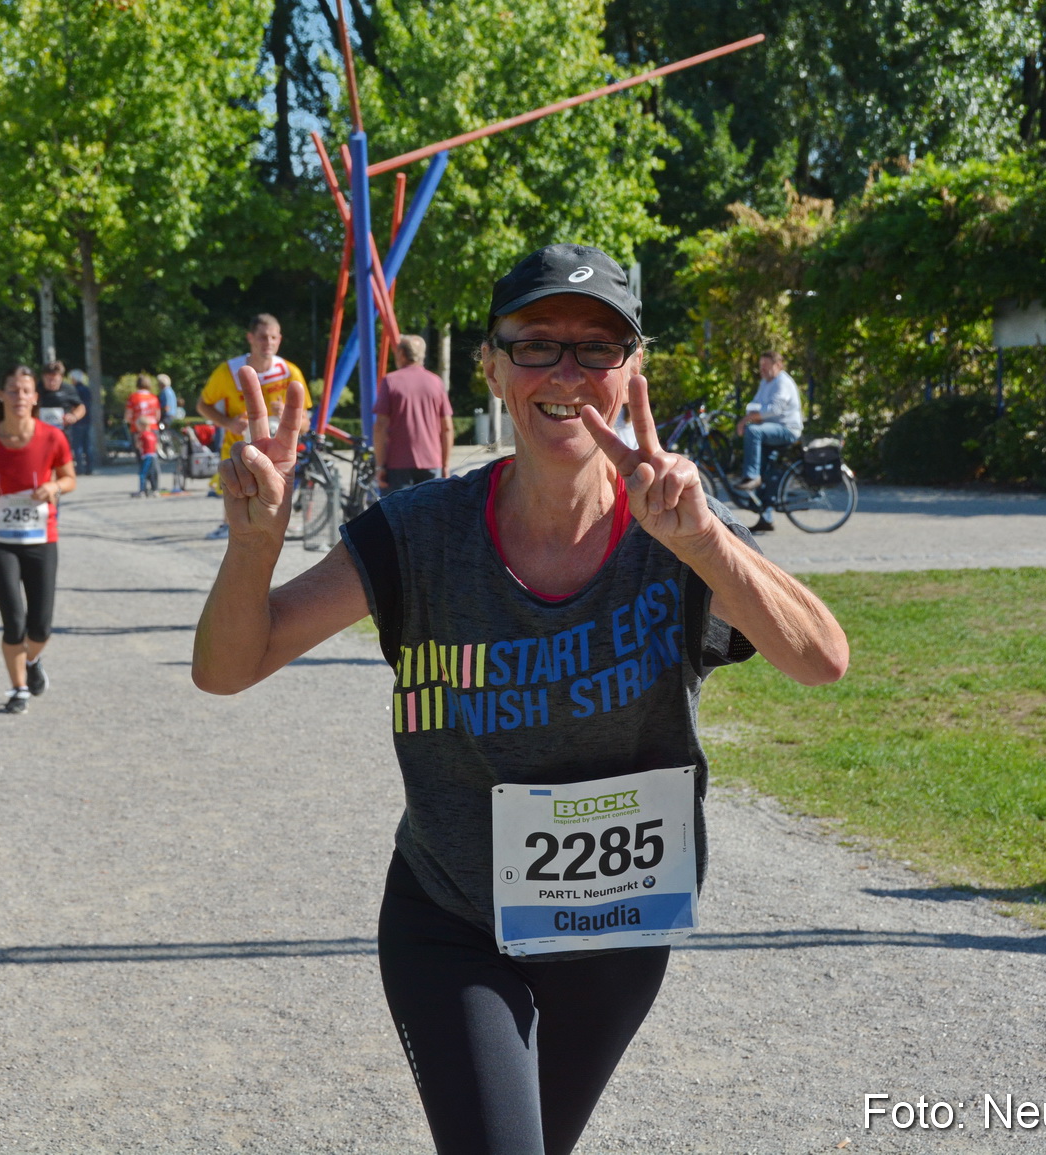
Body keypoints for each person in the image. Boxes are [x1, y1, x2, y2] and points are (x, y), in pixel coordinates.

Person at [191, 244, 848, 1155]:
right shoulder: (419, 535)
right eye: (536, 344)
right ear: (494, 367)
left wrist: (706, 543)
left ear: (633, 369)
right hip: (451, 917)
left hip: (619, 921)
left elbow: (823, 658)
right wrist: (254, 545)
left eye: (597, 348)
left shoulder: (675, 524)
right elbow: (229, 666)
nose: (565, 373)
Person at [0, 366, 76, 714]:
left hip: (41, 537)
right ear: (1, 395)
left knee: (40, 625)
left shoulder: (52, 437)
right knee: (14, 620)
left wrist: (54, 487)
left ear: (35, 397)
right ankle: (18, 689)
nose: (20, 397)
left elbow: (70, 478)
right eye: (12, 390)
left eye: (26, 391)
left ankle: (31, 660)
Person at [196, 314, 306, 540]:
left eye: (273, 337)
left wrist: (289, 414)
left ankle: (278, 526)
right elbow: (202, 405)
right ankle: (229, 527)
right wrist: (228, 422)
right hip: (238, 446)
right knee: (236, 492)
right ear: (250, 338)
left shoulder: (290, 372)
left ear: (280, 339)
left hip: (278, 449)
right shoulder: (228, 371)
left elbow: (305, 422)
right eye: (263, 337)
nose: (269, 343)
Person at [373, 333, 453, 494]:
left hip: (398, 464)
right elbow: (447, 428)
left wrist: (380, 465)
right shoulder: (436, 382)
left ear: (401, 354)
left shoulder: (390, 381)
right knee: (429, 516)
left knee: (399, 517)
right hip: (432, 462)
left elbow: (380, 426)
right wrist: (445, 465)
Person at [729, 351, 804, 508]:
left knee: (753, 431)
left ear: (778, 365)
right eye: (760, 365)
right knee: (765, 467)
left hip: (787, 429)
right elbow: (755, 405)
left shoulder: (782, 382)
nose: (762, 369)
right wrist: (748, 417)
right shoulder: (765, 382)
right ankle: (766, 518)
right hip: (771, 429)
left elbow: (775, 410)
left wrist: (749, 418)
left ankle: (751, 476)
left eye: (765, 365)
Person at [125, 373, 162, 496]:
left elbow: (128, 416)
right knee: (153, 459)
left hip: (138, 431)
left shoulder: (133, 397)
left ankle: (143, 488)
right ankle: (155, 487)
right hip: (153, 430)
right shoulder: (153, 398)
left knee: (142, 460)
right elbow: (157, 416)